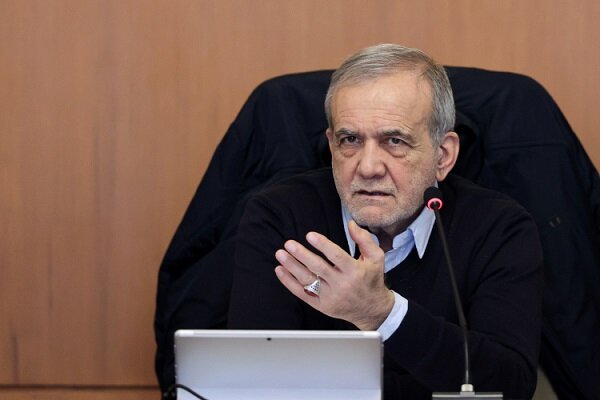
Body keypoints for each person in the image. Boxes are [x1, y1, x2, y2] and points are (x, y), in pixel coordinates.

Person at [228, 43, 543, 399]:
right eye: (350, 140)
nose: (368, 167)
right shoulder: (279, 216)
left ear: (443, 155)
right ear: (331, 145)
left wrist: (382, 313)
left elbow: (509, 386)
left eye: (394, 141)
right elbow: (257, 382)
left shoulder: (499, 228)